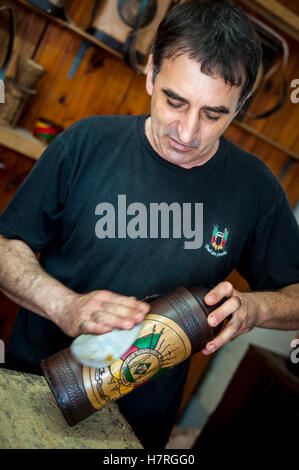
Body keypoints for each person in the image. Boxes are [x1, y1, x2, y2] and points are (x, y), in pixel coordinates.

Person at [0, 0, 298, 448]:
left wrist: (257, 308)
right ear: (151, 74)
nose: (187, 131)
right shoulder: (87, 142)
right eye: (174, 101)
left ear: (240, 107)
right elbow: (7, 245)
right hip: (32, 389)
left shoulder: (254, 188)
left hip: (135, 427)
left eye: (213, 114)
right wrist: (64, 305)